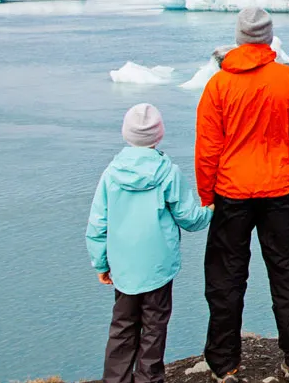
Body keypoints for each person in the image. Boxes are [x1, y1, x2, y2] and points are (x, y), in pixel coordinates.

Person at [196, 6, 289, 383]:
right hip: (280, 189)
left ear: (239, 38)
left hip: (232, 192)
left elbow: (207, 146)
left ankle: (225, 364)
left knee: (226, 279)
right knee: (287, 274)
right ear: (267, 39)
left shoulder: (219, 85)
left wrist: (207, 193)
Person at [88, 103, 213, 383]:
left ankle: (116, 379)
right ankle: (149, 378)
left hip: (123, 267)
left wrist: (101, 263)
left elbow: (98, 223)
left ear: (126, 134)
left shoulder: (111, 173)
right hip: (158, 266)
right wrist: (211, 210)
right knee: (154, 327)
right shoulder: (168, 172)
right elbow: (189, 218)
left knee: (122, 327)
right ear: (159, 135)